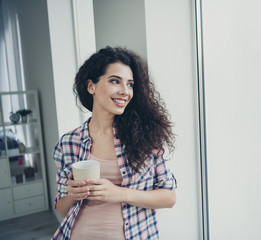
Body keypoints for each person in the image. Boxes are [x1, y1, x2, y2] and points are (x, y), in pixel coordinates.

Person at [52, 46, 177, 240]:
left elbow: (169, 198)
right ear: (91, 86)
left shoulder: (145, 138)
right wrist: (74, 194)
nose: (125, 91)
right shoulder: (68, 143)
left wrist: (119, 193)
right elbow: (61, 208)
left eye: (130, 84)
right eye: (115, 81)